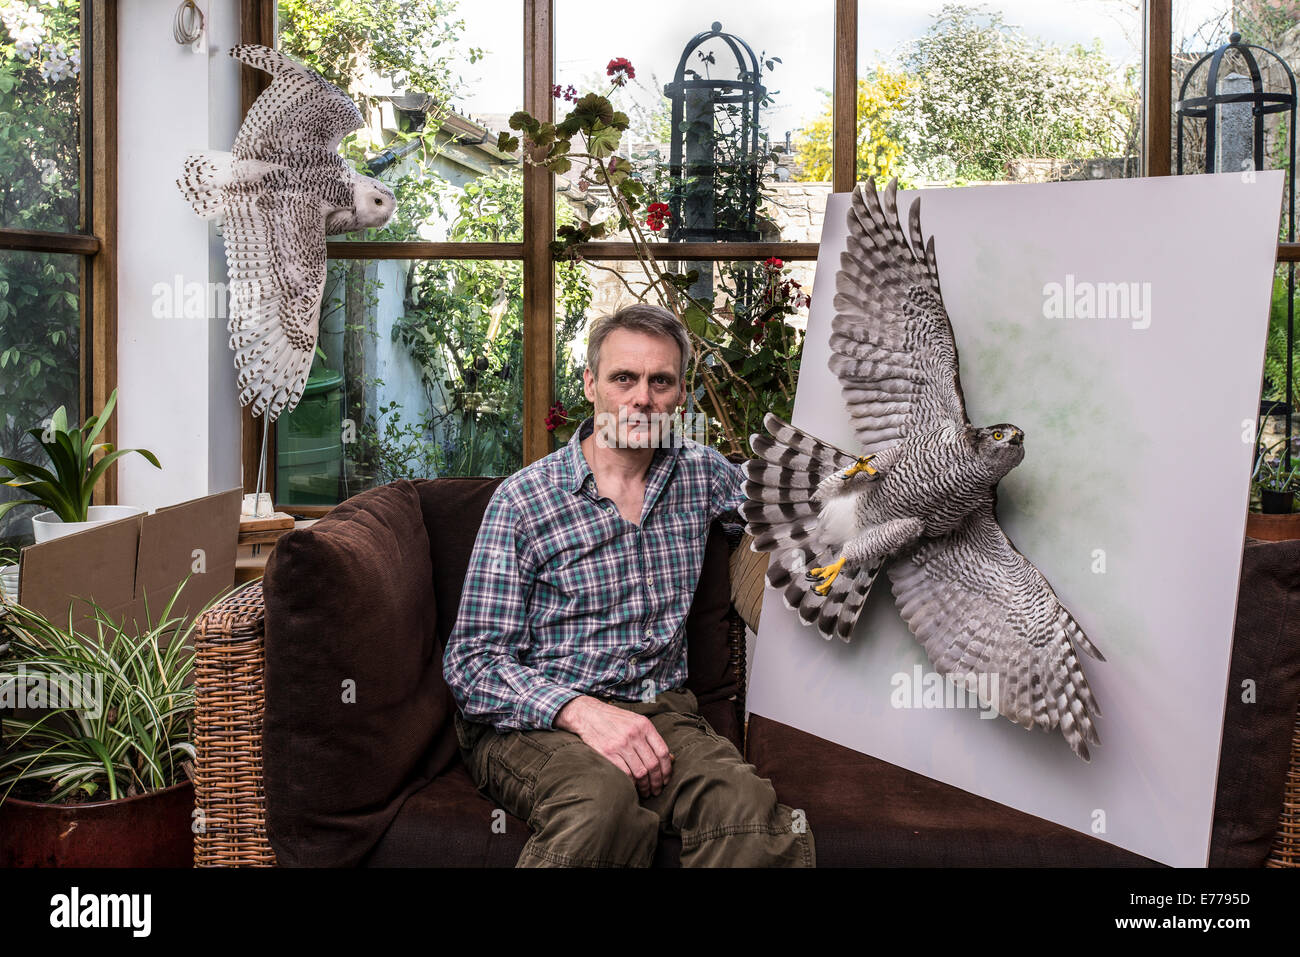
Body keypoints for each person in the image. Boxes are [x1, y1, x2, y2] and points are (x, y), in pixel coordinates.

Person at [442, 303, 814, 868]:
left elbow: (786, 511)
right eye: (624, 378)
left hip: (661, 710)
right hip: (536, 721)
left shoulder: (701, 473)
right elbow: (471, 664)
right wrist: (580, 712)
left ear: (680, 395)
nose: (642, 397)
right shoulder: (523, 501)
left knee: (745, 808)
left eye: (660, 381)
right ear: (591, 385)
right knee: (602, 802)